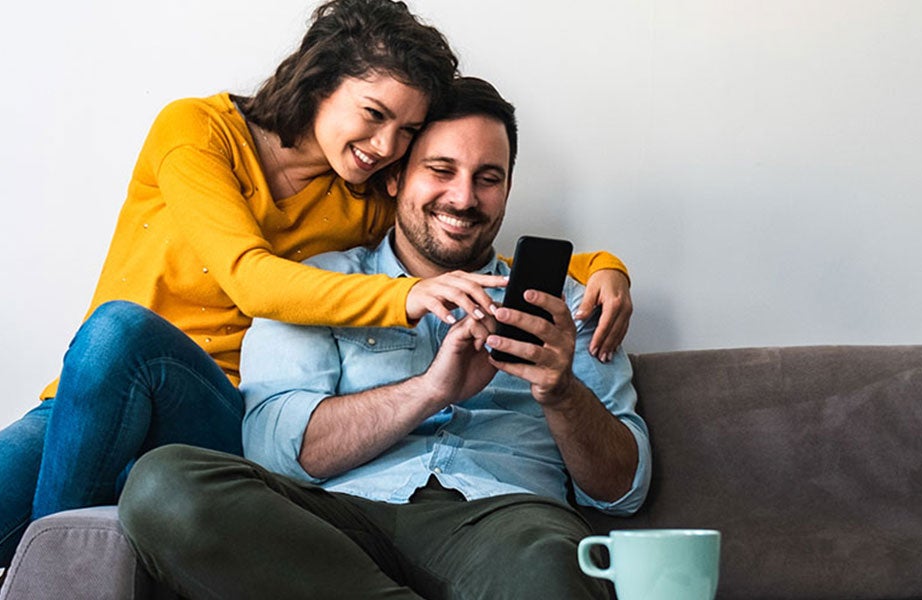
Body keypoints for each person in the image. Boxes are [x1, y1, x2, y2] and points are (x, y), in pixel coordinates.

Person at [0, 2, 634, 597]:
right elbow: (254, 278)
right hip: (110, 393)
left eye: (403, 134)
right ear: (321, 80)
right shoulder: (200, 133)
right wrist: (409, 309)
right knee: (110, 344)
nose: (382, 148)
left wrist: (602, 270)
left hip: (222, 414)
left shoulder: (361, 197)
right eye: (374, 117)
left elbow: (454, 230)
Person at [119, 76, 650, 600]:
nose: (463, 198)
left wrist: (561, 393)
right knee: (164, 485)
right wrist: (429, 391)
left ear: (508, 190)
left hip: (506, 523)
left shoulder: (573, 304)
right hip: (333, 525)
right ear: (394, 177)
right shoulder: (320, 285)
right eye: (441, 170)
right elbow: (271, 450)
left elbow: (624, 492)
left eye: (488, 178)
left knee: (546, 572)